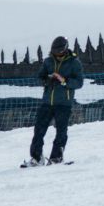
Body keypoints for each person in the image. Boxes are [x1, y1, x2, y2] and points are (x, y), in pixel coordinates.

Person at [28, 36, 83, 166]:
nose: (56, 54)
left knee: (61, 131)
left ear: (64, 50)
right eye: (54, 51)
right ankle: (36, 158)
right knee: (39, 130)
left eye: (58, 52)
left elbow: (79, 83)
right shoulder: (48, 61)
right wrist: (47, 79)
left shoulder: (74, 63)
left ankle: (56, 157)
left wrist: (64, 81)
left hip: (64, 103)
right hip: (47, 102)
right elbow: (39, 78)